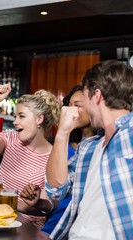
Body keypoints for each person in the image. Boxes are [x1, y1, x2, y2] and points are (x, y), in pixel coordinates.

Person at [46, 60, 133, 240]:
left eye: (84, 100)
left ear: (97, 96)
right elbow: (55, 189)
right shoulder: (89, 148)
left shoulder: (129, 133)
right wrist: (62, 133)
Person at [0, 83, 61, 227]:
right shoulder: (11, 138)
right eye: (15, 116)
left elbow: (43, 208)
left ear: (39, 119)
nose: (15, 122)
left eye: (21, 116)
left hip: (27, 227)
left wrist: (5, 201)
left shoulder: (53, 156)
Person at [20, 85, 96, 235]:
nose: (70, 110)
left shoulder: (100, 148)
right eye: (69, 105)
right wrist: (38, 202)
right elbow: (55, 200)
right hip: (53, 229)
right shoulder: (63, 149)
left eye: (78, 105)